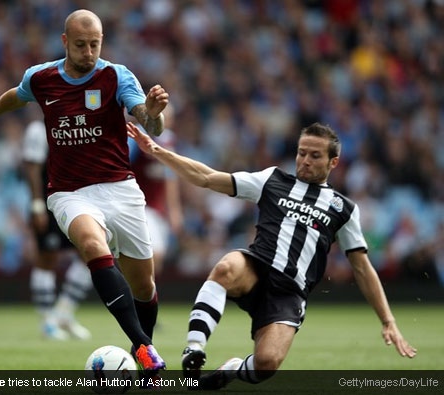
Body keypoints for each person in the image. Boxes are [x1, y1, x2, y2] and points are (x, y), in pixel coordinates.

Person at [126, 121, 417, 388]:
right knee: (226, 267)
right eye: (302, 152)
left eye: (315, 156)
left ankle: (229, 371)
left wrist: (388, 321)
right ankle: (194, 348)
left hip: (289, 292)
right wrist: (157, 151)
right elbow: (207, 178)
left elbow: (362, 268)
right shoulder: (271, 180)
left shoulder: (344, 209)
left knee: (266, 365)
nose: (305, 160)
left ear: (333, 162)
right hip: (256, 268)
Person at [0, 9, 168, 372]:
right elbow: (17, 94)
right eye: (80, 45)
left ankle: (145, 353)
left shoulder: (116, 76)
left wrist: (153, 114)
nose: (88, 52)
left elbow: (150, 122)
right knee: (93, 245)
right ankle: (144, 349)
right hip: (69, 192)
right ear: (64, 42)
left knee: (144, 285)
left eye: (95, 44)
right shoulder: (42, 78)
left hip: (119, 188)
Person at [23, 119, 92, 340]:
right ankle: (47, 322)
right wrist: (36, 205)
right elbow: (32, 168)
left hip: (75, 200)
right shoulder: (38, 128)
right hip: (48, 202)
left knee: (90, 255)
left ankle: (63, 314)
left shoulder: (76, 122)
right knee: (47, 259)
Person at [128, 104, 183, 276]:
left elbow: (170, 176)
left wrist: (174, 210)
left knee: (156, 260)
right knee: (153, 255)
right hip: (137, 205)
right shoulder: (134, 137)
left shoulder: (168, 140)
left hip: (157, 208)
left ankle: (142, 297)